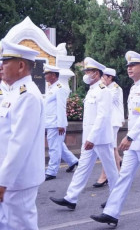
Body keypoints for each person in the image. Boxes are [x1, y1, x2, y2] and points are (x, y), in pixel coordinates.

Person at [90, 51, 140, 227]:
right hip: (133, 142)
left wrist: (130, 136)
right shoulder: (133, 88)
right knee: (124, 176)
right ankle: (111, 213)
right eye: (128, 66)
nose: (129, 69)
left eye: (133, 65)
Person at [50, 57, 118, 210]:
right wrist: (88, 138)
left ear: (97, 73)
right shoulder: (92, 91)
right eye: (86, 70)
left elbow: (103, 116)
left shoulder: (103, 91)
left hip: (100, 139)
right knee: (82, 168)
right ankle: (71, 198)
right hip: (90, 138)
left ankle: (116, 199)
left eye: (89, 71)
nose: (86, 74)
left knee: (111, 171)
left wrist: (92, 138)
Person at [0, 41, 45, 229]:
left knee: (19, 225)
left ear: (20, 66)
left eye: (6, 61)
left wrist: (3, 181)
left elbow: (19, 143)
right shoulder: (11, 92)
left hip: (17, 180)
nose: (1, 66)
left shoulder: (28, 96)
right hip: (9, 176)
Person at [44, 64, 79, 181]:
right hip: (50, 122)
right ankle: (73, 161)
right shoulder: (52, 88)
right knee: (59, 146)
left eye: (47, 73)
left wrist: (60, 124)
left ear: (53, 75)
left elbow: (61, 107)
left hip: (56, 124)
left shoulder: (60, 88)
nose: (45, 76)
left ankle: (51, 171)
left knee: (54, 147)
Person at [93, 67, 124, 188]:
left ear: (110, 77)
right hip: (109, 121)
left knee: (109, 148)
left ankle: (105, 176)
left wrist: (102, 86)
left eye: (104, 77)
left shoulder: (115, 89)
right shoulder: (107, 88)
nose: (102, 79)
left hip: (113, 121)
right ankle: (118, 171)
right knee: (112, 148)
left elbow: (107, 100)